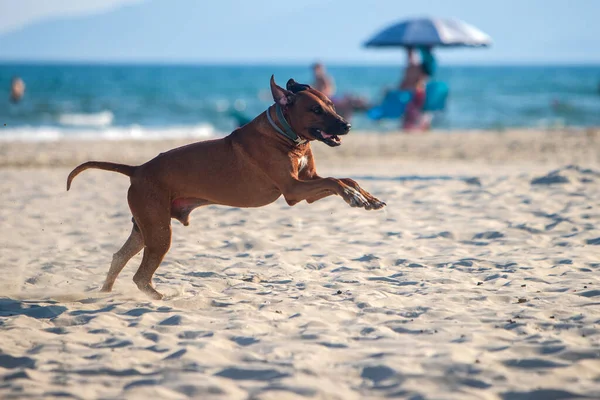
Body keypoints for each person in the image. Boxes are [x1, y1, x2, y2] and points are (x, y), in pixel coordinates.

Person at [399, 47, 435, 131]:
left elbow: (421, 84)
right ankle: (415, 124)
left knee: (411, 104)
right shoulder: (411, 68)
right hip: (413, 95)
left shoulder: (418, 68)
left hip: (417, 95)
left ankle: (414, 124)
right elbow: (403, 84)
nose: (409, 57)